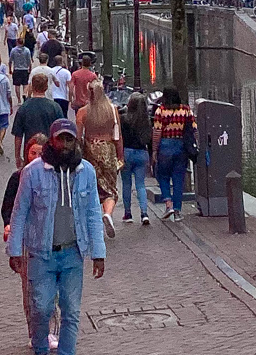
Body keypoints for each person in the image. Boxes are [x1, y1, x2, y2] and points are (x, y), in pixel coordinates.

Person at [7, 121, 106, 355]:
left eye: (69, 140)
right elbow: (20, 212)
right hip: (41, 253)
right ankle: (40, 348)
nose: (65, 145)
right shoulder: (32, 173)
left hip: (73, 252)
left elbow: (93, 213)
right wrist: (15, 250)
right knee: (41, 308)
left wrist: (98, 252)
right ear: (51, 140)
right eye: (60, 139)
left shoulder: (86, 172)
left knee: (72, 312)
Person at [1, 132, 57, 351]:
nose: (35, 157)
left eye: (40, 153)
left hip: (50, 238)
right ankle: (34, 331)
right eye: (32, 152)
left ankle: (51, 330)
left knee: (52, 287)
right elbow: (8, 207)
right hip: (27, 240)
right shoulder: (19, 177)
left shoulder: (54, 175)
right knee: (29, 288)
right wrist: (9, 226)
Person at [75, 81, 121, 239]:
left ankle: (90, 222)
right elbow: (118, 136)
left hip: (90, 150)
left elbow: (78, 137)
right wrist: (120, 156)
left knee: (92, 186)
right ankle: (107, 213)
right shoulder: (112, 110)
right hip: (108, 149)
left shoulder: (83, 112)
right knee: (110, 187)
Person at [152, 87, 195, 222]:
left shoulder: (161, 110)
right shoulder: (186, 110)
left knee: (162, 175)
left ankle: (168, 203)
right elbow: (193, 129)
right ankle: (177, 211)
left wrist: (154, 150)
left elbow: (157, 132)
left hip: (165, 146)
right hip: (181, 146)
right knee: (178, 179)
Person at [12, 72, 62, 168]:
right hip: (51, 152)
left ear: (32, 87)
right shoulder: (55, 107)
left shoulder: (24, 107)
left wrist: (17, 157)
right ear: (46, 87)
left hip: (30, 152)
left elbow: (18, 135)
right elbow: (60, 133)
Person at [118, 91, 153, 226]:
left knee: (126, 184)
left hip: (126, 152)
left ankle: (128, 213)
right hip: (141, 153)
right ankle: (144, 213)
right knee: (141, 185)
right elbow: (149, 140)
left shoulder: (123, 119)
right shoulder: (147, 120)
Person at [9, 38, 33, 103]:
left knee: (17, 85)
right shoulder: (27, 50)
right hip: (25, 69)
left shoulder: (13, 50)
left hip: (16, 69)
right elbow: (29, 60)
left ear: (17, 42)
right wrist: (30, 68)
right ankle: (24, 93)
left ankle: (19, 99)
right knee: (25, 83)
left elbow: (10, 60)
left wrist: (10, 69)